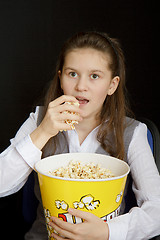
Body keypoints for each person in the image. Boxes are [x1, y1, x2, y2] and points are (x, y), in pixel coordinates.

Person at [0, 31, 160, 240]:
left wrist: (108, 231)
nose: (80, 86)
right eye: (72, 74)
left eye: (94, 76)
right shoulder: (39, 120)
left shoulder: (132, 132)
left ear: (112, 85)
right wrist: (43, 132)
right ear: (60, 78)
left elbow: (157, 210)